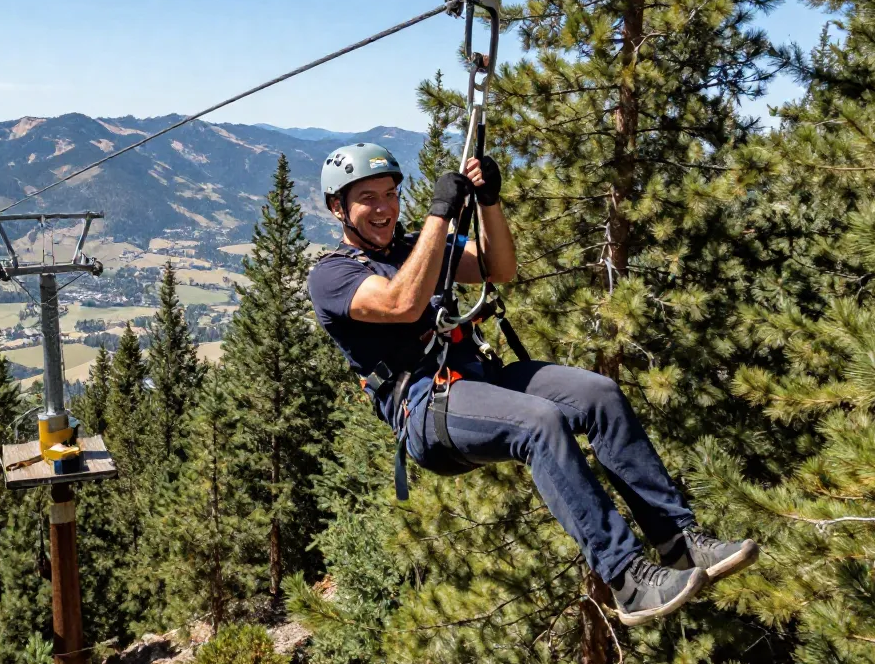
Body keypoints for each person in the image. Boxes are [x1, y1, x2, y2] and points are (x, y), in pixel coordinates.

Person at [307, 142, 759, 626]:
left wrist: (488, 201)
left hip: (482, 378)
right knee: (539, 422)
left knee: (598, 395)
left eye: (391, 194)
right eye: (368, 198)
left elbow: (497, 268)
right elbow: (402, 303)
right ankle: (627, 579)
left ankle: (678, 540)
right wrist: (441, 214)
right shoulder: (331, 275)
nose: (384, 208)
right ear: (339, 209)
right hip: (428, 406)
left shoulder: (416, 246)